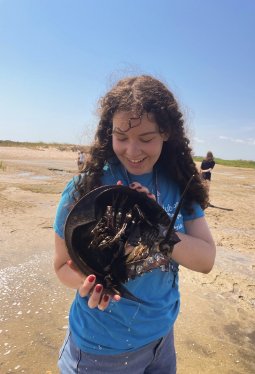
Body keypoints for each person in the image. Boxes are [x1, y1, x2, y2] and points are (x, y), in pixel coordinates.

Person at [53, 75, 216, 373]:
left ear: (166, 133)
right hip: (99, 350)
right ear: (108, 132)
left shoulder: (179, 186)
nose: (133, 150)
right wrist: (89, 285)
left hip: (161, 340)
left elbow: (206, 260)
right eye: (121, 137)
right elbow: (63, 266)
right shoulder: (84, 188)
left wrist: (158, 225)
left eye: (146, 138)